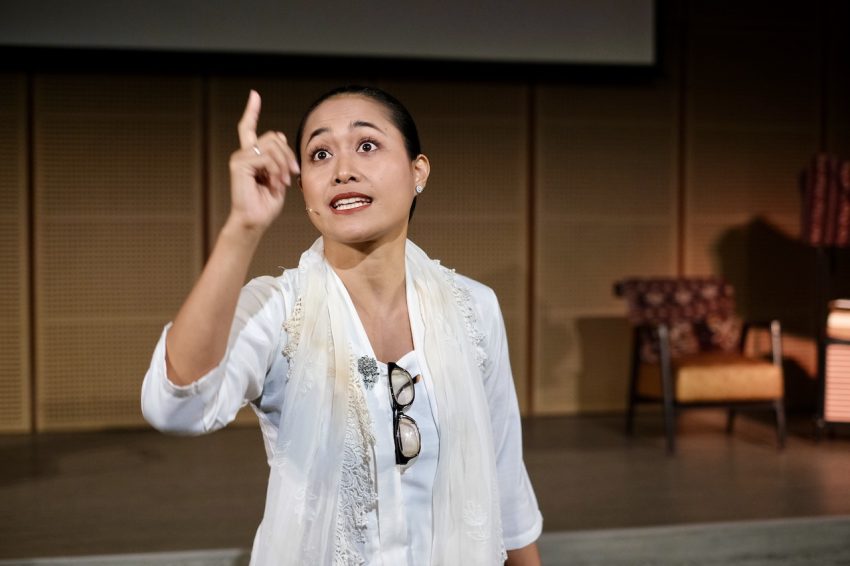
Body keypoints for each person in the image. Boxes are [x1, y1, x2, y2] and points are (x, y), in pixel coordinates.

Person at [141, 85, 543, 565]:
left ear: (418, 171)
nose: (343, 170)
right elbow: (176, 408)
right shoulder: (277, 310)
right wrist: (243, 227)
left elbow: (504, 479)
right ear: (304, 188)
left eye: (367, 145)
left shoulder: (474, 307)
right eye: (320, 154)